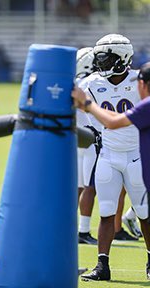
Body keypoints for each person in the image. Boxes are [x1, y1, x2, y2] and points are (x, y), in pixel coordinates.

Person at [72, 34, 150, 281]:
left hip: (137, 155)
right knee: (106, 212)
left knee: (144, 212)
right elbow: (83, 121)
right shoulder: (90, 84)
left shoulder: (140, 81)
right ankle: (102, 265)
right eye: (100, 59)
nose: (102, 65)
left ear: (122, 58)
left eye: (107, 59)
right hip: (108, 154)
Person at [75, 47, 98, 245]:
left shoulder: (75, 83)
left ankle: (66, 227)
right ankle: (83, 230)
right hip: (90, 140)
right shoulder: (91, 83)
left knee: (78, 188)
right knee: (89, 187)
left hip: (75, 140)